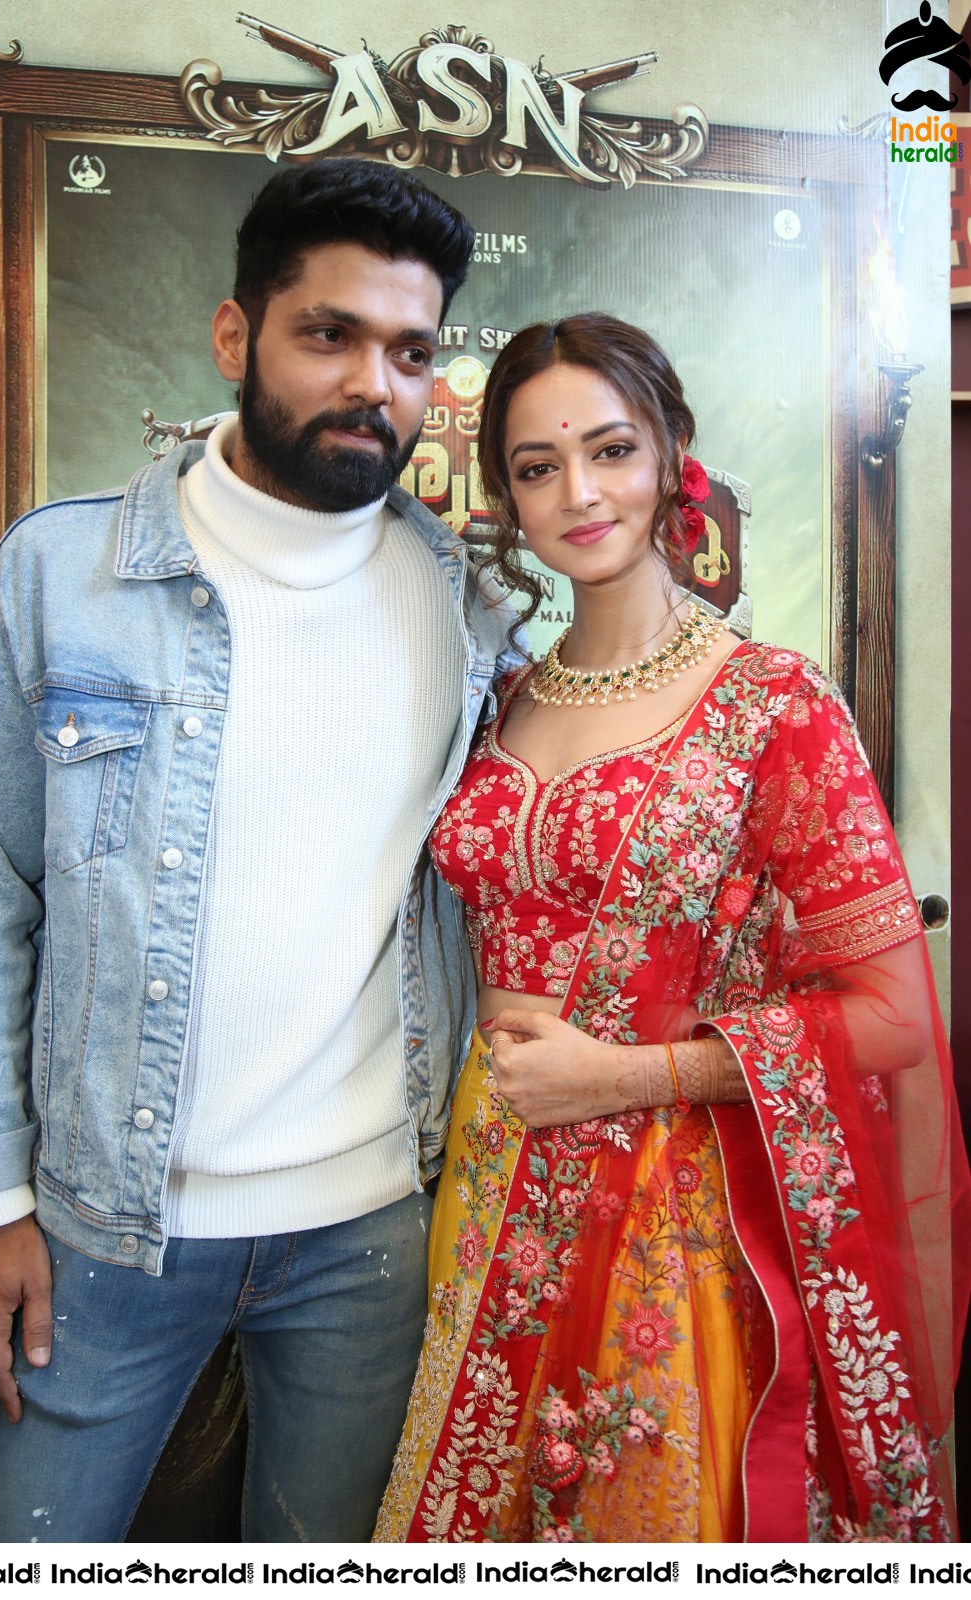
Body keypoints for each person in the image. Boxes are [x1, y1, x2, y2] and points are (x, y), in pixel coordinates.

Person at [0, 157, 519, 1543]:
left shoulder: (468, 608)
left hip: (374, 1233)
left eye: (408, 351)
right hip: (101, 1228)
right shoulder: (59, 577)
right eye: (328, 334)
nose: (372, 383)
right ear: (236, 335)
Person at [376, 313, 969, 1543]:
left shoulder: (771, 704)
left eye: (610, 450)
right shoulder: (495, 699)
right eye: (537, 466)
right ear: (505, 498)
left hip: (671, 1215)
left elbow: (893, 1021)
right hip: (484, 1182)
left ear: (669, 456)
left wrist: (625, 1075)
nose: (579, 494)